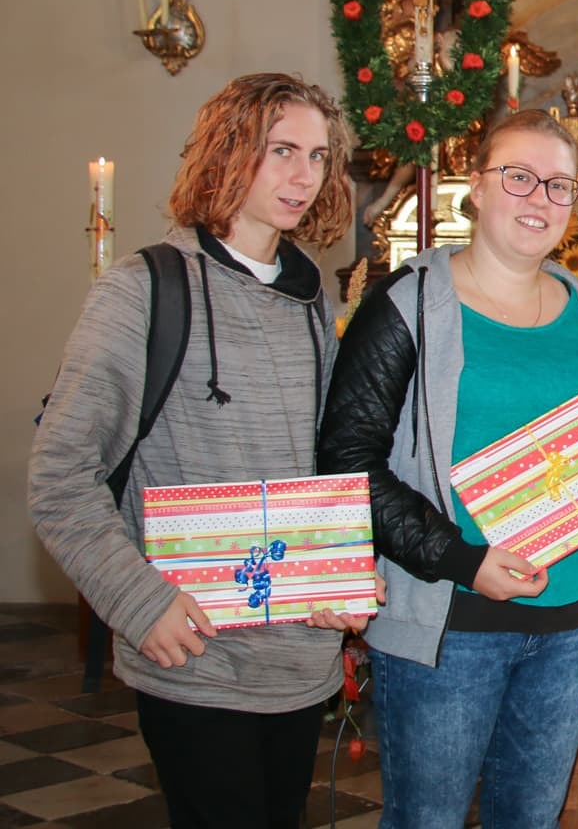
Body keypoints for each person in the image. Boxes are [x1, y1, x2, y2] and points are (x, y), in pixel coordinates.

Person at [317, 109, 578, 829]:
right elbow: (347, 463)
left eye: (559, 185)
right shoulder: (409, 305)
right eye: (518, 177)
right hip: (449, 623)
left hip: (566, 626)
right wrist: (464, 560)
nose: (540, 199)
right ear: (474, 188)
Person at [29, 73, 363, 828]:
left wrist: (347, 568)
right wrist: (139, 602)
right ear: (228, 152)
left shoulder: (316, 302)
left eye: (318, 156)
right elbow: (60, 475)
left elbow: (327, 465)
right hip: (194, 655)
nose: (304, 176)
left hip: (297, 660)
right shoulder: (144, 289)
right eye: (281, 150)